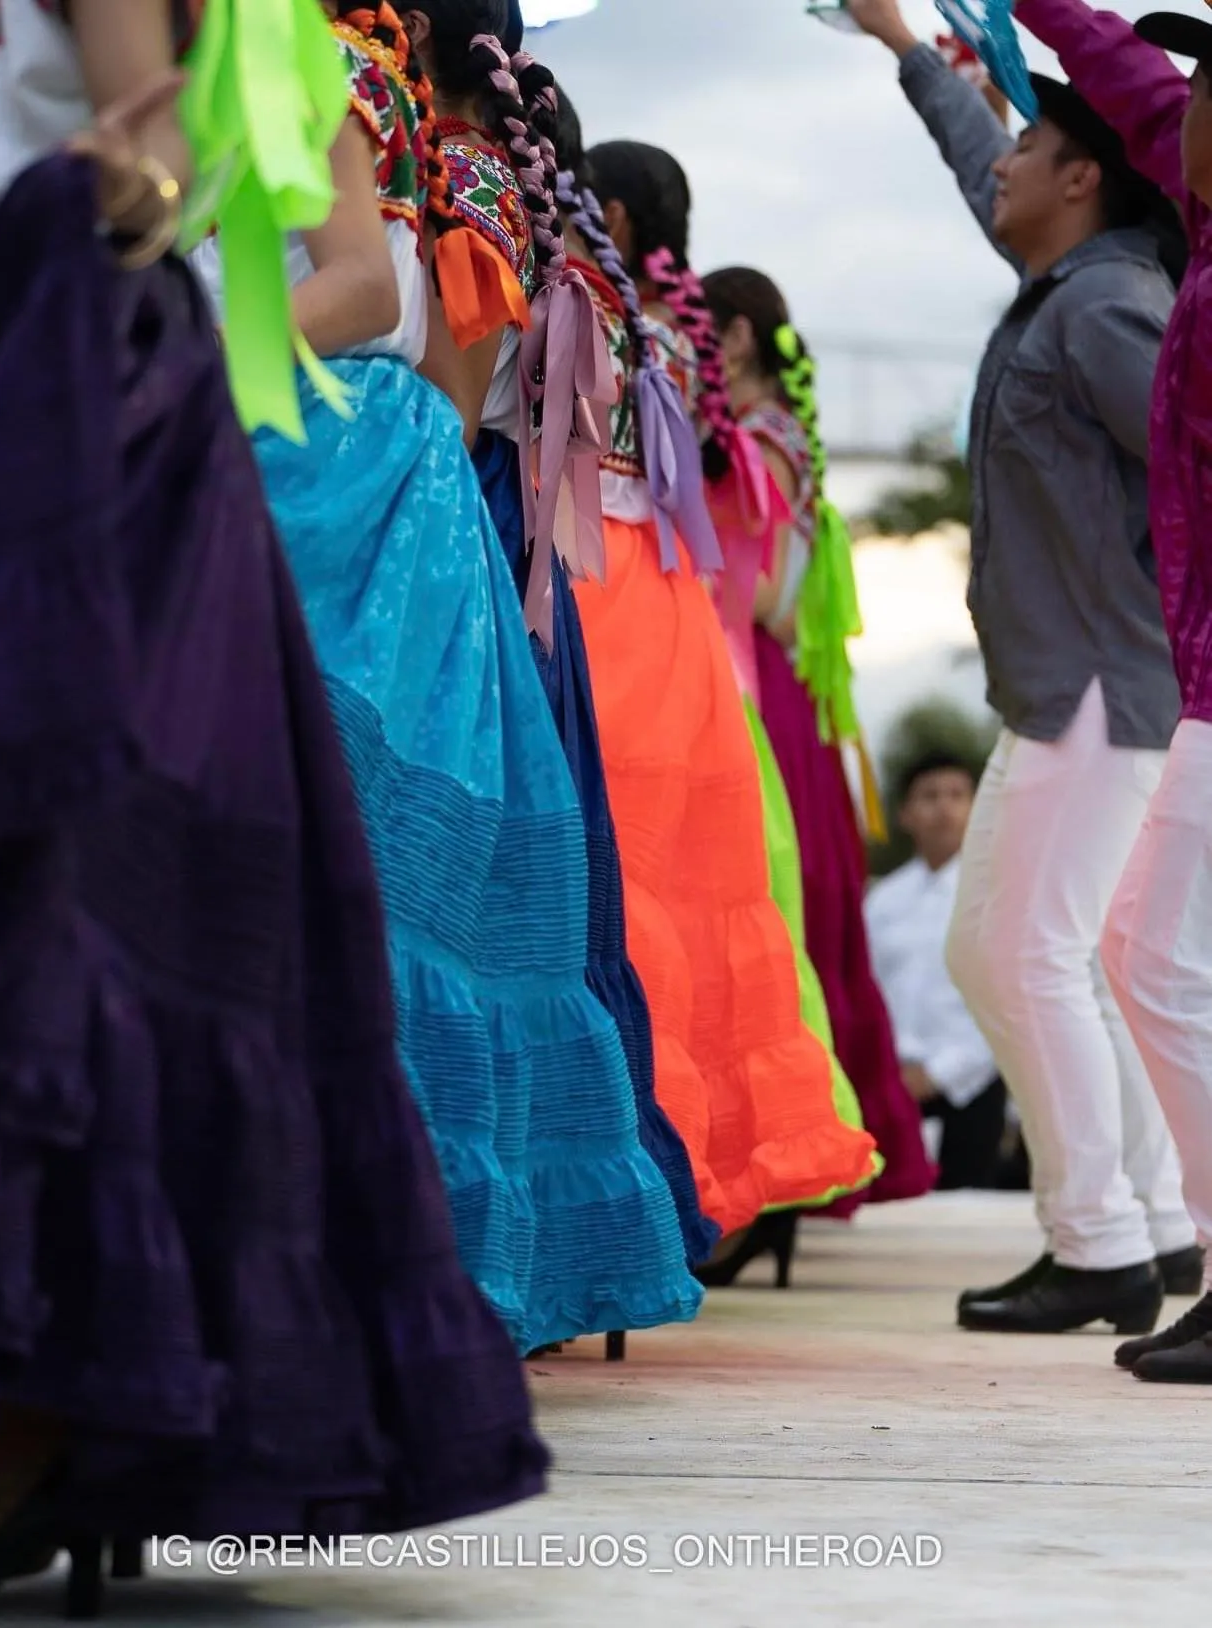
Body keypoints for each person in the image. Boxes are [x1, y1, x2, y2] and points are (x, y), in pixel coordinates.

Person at [0, 0, 548, 1615]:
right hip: (7, 374)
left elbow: (183, 165)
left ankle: (26, 1409)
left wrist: (131, 223)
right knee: (25, 879)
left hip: (85, 386)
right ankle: (23, 1396)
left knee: (53, 883)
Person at [197, 1, 700, 1359]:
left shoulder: (346, 91)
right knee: (419, 895)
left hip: (363, 478)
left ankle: (363, 1260)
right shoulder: (414, 126)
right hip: (425, 490)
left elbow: (403, 329)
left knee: (361, 882)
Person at [848, 0, 1200, 1336]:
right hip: (1079, 685)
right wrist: (902, 50)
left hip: (1102, 688)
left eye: (1029, 141)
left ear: (1085, 176)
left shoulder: (1109, 310)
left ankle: (1103, 1240)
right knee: (1053, 956)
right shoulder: (1068, 283)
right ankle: (1145, 1227)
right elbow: (970, 157)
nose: (999, 162)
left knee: (1019, 953)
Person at [556, 130, 878, 1261]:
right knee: (671, 894)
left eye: (580, 193)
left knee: (636, 884)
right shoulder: (665, 338)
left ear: (624, 219)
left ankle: (662, 1176)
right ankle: (684, 1177)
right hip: (674, 618)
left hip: (615, 598)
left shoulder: (601, 315)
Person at [432, 33, 717, 1273]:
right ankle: (550, 1228)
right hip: (525, 553)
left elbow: (446, 403)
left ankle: (495, 1230)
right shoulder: (539, 226)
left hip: (472, 532)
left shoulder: (454, 183)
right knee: (533, 896)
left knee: (469, 884)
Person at [1008, 0, 1212, 1383]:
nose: (1173, 109)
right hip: (1197, 667)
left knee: (1146, 953)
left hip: (1176, 674)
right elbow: (1114, 68)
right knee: (1145, 950)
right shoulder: (1194, 212)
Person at [703, 263, 936, 1219]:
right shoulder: (777, 438)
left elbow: (762, 595)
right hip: (776, 689)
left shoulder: (758, 444)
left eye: (699, 326)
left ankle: (787, 1158)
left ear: (740, 338)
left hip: (754, 682)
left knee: (769, 910)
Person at [865, 752, 1006, 1191]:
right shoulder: (882, 901)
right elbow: (867, 994)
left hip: (972, 1085)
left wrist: (942, 1072)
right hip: (892, 1087)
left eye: (957, 795)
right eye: (929, 796)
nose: (944, 808)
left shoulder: (999, 896)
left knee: (965, 1219)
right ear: (905, 814)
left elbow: (1006, 1001)